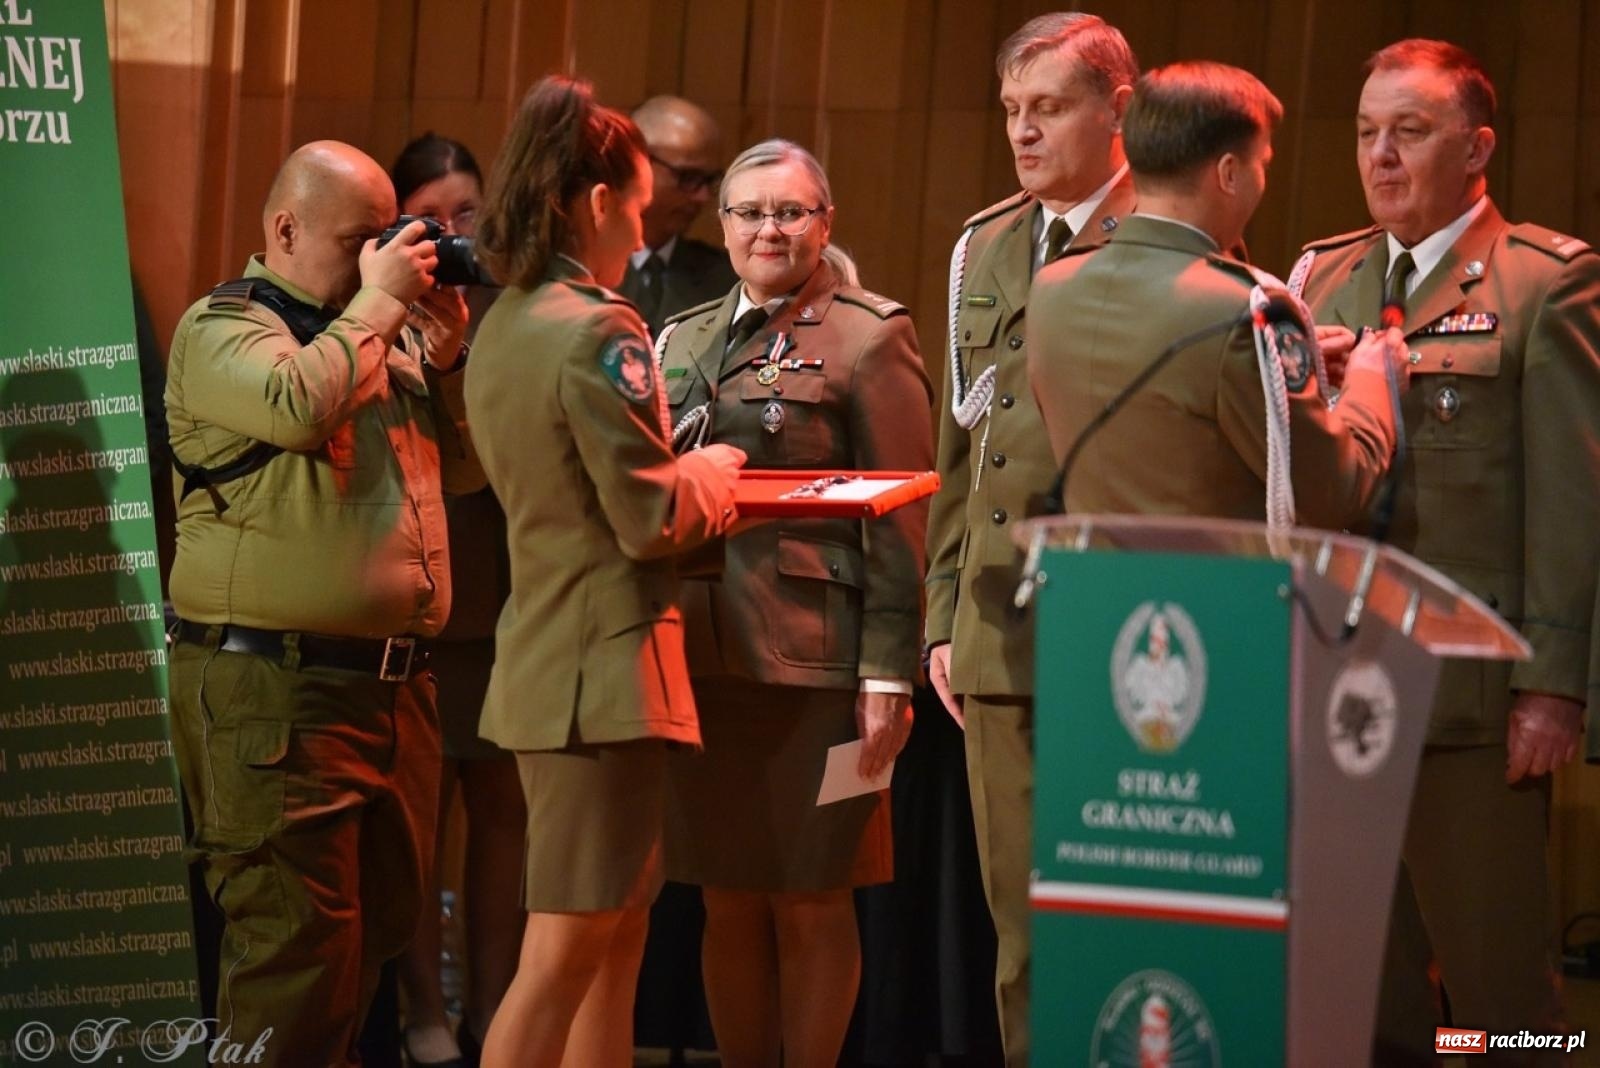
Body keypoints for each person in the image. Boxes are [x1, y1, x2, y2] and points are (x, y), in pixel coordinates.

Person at [1294, 39, 1600, 1064]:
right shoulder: (1319, 277)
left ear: (1477, 149)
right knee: (1357, 990)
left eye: (1409, 133)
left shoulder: (1542, 286)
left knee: (1500, 999)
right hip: (1336, 683)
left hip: (1472, 697)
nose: (1380, 156)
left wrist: (1554, 687)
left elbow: (1574, 504)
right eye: (1366, 133)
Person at [164, 139, 482, 1066]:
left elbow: (466, 469)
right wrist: (382, 306)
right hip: (277, 693)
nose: (382, 260)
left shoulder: (375, 336)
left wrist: (450, 351)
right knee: (293, 961)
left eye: (391, 239)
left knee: (362, 952)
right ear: (286, 228)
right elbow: (298, 405)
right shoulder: (225, 327)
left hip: (393, 697)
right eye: (360, 241)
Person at [464, 76, 745, 1068]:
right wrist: (713, 470)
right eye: (632, 207)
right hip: (602, 678)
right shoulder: (597, 327)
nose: (639, 229)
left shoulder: (505, 319)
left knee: (610, 942)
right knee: (564, 952)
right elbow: (649, 512)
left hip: (556, 661)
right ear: (591, 203)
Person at [657, 138, 933, 1068]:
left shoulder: (870, 334)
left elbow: (902, 512)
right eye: (748, 212)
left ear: (826, 223)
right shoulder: (682, 335)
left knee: (818, 893)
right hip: (705, 660)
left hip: (830, 667)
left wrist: (890, 674)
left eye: (790, 211)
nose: (768, 228)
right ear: (722, 225)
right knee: (726, 894)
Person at [921, 13, 1139, 1063]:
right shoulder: (988, 243)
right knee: (1021, 932)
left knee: (1117, 919)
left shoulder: (1165, 239)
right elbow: (962, 450)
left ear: (1116, 109)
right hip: (996, 629)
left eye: (1046, 108)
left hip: (1119, 632)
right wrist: (939, 618)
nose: (1022, 131)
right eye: (1011, 110)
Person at [1027, 60, 1402, 534]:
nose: (1263, 181)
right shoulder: (1244, 309)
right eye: (1262, 164)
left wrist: (1281, 371)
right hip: (1208, 599)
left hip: (1092, 595)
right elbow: (1333, 494)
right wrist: (1372, 384)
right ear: (1228, 173)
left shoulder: (1052, 288)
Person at [388, 132, 521, 1068]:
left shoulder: (513, 307)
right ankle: (423, 1011)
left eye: (469, 215)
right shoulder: (370, 309)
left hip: (507, 589)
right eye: (433, 218)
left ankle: (501, 1016)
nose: (455, 235)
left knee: (504, 811)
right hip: (413, 594)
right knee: (419, 823)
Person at [616, 95, 738, 335]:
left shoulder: (727, 281)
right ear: (636, 162)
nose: (702, 197)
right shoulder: (582, 269)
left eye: (710, 180)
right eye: (688, 178)